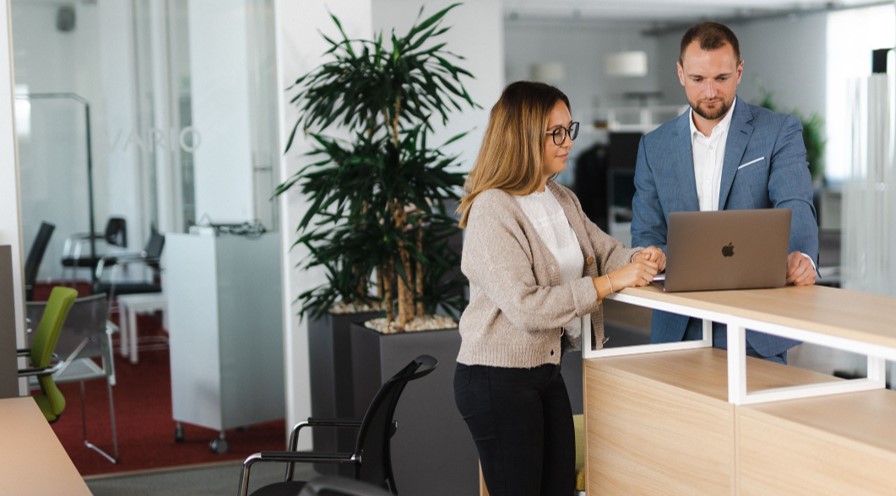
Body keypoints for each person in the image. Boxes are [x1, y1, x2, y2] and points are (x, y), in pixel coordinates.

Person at [454, 81, 665, 496]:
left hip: (544, 373)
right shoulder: (492, 209)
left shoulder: (559, 197)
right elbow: (527, 308)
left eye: (571, 129)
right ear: (521, 136)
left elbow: (604, 253)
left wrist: (641, 258)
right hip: (496, 380)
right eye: (556, 132)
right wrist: (608, 283)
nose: (567, 141)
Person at [631, 21, 819, 363]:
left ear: (740, 71)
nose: (710, 92)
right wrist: (649, 254)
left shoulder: (778, 132)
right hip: (680, 325)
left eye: (722, 78)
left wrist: (801, 256)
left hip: (756, 325)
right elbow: (647, 230)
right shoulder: (653, 146)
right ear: (680, 73)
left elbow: (795, 203)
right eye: (698, 79)